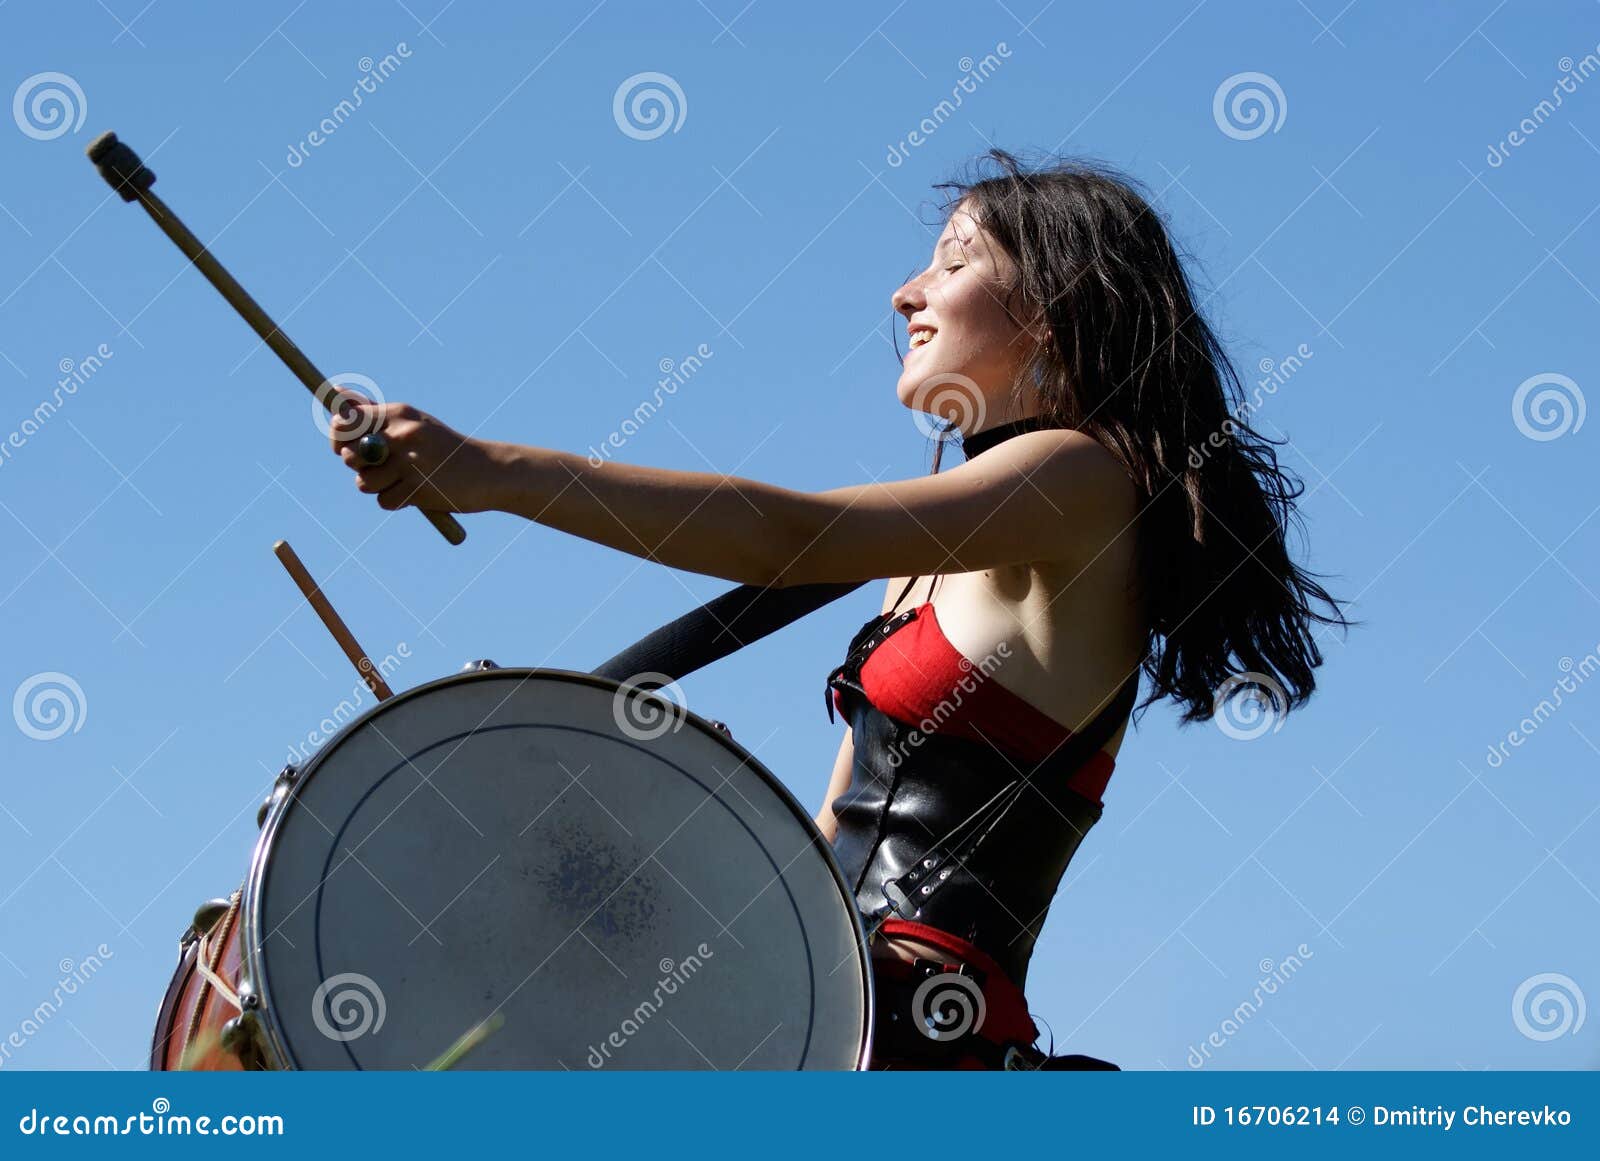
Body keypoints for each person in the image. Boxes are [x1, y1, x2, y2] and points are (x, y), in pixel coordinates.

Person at [327, 148, 1351, 1070]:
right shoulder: (925, 565)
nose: (906, 292)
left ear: (1056, 302)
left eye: (953, 262)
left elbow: (791, 535)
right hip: (835, 1016)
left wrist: (495, 471)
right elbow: (825, 847)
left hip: (923, 1042)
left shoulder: (1081, 478)